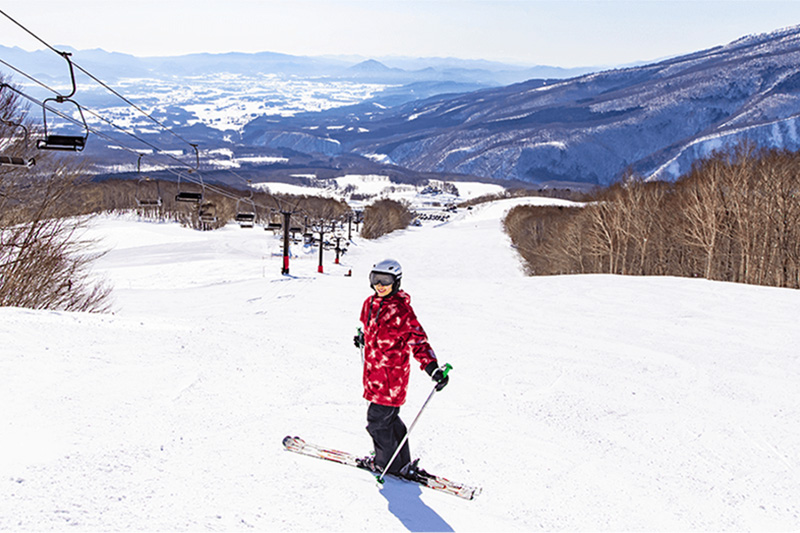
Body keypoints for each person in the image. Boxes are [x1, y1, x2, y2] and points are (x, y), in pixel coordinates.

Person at [353, 258, 449, 478]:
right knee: (391, 420)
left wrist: (432, 368)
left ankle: (383, 464)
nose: (380, 285)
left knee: (377, 422)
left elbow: (419, 342)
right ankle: (400, 462)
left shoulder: (401, 311)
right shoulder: (369, 304)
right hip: (372, 375)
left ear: (396, 281)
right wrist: (363, 340)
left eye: (385, 280)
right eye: (376, 279)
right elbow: (371, 330)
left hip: (390, 379)